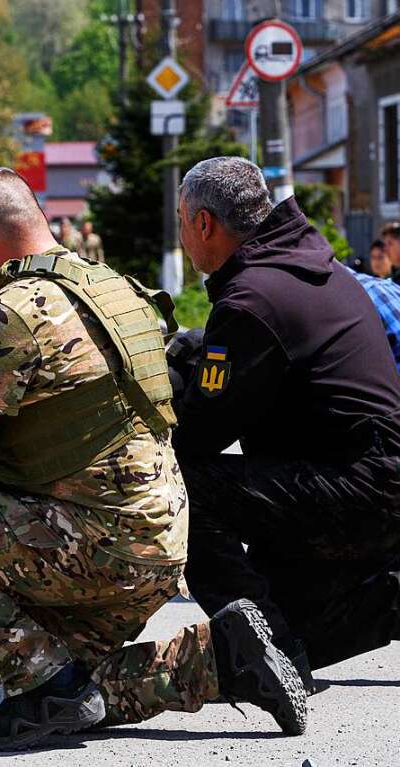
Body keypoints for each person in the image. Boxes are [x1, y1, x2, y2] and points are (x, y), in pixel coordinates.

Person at [0, 165, 306, 753]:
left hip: (99, 547)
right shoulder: (115, 287)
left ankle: (43, 680)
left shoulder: (7, 313)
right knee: (76, 684)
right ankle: (221, 660)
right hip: (160, 543)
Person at [170, 157, 400, 691]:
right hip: (365, 480)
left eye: (182, 222)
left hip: (353, 490)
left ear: (204, 224)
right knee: (304, 632)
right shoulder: (312, 267)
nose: (182, 237)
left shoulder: (253, 297)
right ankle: (382, 597)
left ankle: (266, 649)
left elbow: (202, 433)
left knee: (184, 487)